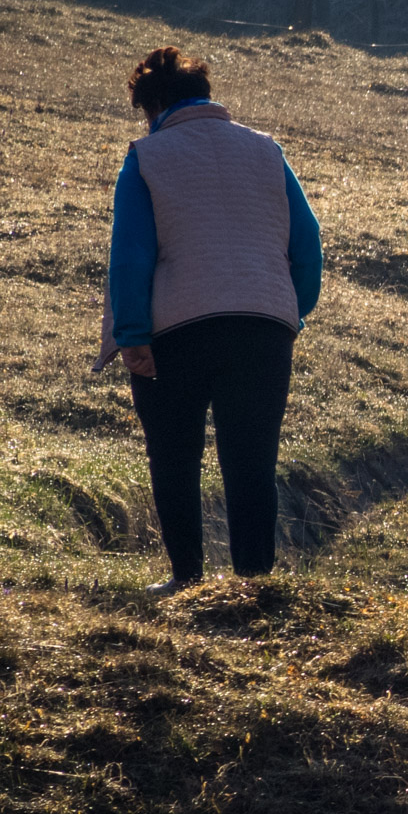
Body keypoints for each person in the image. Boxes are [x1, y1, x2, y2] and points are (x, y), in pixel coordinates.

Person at [93, 47, 322, 593]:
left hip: (177, 330)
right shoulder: (268, 152)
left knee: (174, 454)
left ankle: (186, 579)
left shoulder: (147, 158)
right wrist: (290, 309)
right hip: (263, 324)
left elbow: (130, 255)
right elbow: (307, 244)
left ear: (153, 106)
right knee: (251, 459)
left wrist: (130, 334)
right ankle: (253, 582)